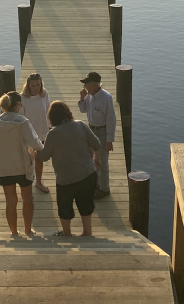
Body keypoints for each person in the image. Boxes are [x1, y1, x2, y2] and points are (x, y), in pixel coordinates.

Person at [0, 90, 44, 236]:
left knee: (11, 201)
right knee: (27, 199)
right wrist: (42, 148)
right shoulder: (23, 122)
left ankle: (14, 232)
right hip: (23, 167)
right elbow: (35, 143)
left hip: (4, 168)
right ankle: (28, 230)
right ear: (17, 106)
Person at [38, 101, 101, 237]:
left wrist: (35, 150)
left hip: (66, 180)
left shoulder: (53, 134)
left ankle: (66, 234)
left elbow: (44, 157)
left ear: (52, 118)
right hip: (88, 174)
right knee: (86, 205)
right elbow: (96, 143)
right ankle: (87, 233)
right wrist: (97, 159)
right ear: (68, 112)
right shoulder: (80, 125)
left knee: (64, 207)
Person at [77, 71, 116, 199]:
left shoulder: (106, 98)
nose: (85, 87)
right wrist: (82, 98)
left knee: (103, 163)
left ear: (94, 84)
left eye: (86, 84)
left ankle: (105, 189)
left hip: (102, 132)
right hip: (91, 130)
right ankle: (96, 185)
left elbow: (111, 120)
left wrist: (109, 140)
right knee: (93, 160)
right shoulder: (88, 96)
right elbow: (83, 110)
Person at [20, 72, 51, 193]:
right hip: (28, 134)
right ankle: (26, 183)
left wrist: (49, 127)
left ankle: (38, 182)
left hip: (41, 132)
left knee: (39, 159)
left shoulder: (44, 94)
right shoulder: (22, 98)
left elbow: (48, 110)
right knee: (26, 160)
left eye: (38, 85)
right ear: (28, 85)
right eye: (33, 85)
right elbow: (21, 118)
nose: (36, 88)